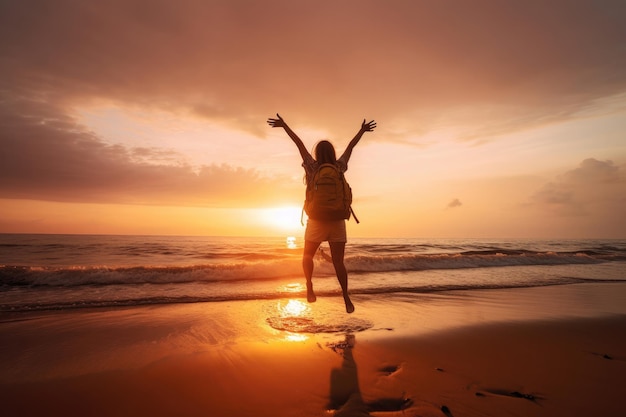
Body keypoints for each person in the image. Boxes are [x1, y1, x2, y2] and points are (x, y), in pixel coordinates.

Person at [267, 114, 376, 313]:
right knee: (338, 263)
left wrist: (284, 126)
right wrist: (362, 131)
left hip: (316, 220)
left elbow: (298, 144)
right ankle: (345, 296)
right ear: (333, 153)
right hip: (337, 220)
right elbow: (351, 148)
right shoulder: (339, 167)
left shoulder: (312, 167)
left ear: (317, 153)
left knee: (307, 256)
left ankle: (309, 285)